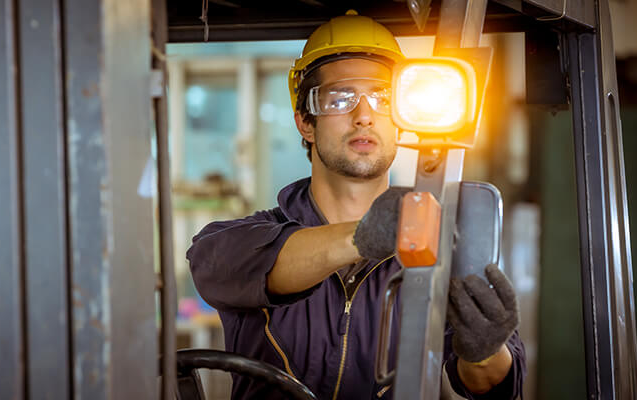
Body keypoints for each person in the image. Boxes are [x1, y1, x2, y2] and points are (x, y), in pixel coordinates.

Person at [187, 10, 525, 400]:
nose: (364, 116)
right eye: (339, 98)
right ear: (305, 122)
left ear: (401, 117)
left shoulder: (442, 249)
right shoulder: (243, 244)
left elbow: (493, 384)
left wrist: (483, 352)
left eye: (383, 98)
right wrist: (364, 237)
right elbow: (214, 264)